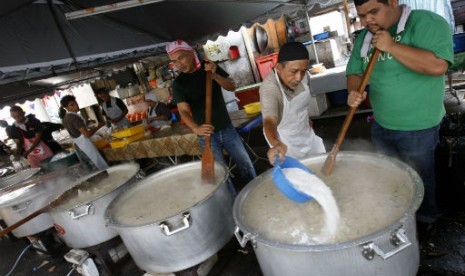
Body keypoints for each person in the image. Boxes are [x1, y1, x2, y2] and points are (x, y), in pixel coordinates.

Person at [346, 0, 454, 224]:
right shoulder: (365, 37)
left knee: (420, 178)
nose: (367, 20)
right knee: (391, 177)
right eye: (362, 15)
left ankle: (426, 220)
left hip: (419, 126)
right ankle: (400, 219)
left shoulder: (426, 23)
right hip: (382, 124)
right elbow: (355, 71)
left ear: (393, 2)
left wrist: (392, 46)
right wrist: (353, 91)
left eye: (374, 12)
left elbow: (437, 66)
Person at [166, 40, 256, 187]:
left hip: (227, 128)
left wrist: (214, 76)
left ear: (190, 53)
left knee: (245, 163)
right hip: (206, 135)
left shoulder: (209, 67)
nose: (178, 64)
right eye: (174, 62)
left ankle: (255, 190)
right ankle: (229, 203)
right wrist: (196, 128)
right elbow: (182, 111)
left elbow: (232, 86)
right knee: (220, 175)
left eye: (181, 57)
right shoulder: (178, 84)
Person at [260, 42, 326, 165]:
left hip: (305, 133)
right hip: (286, 142)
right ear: (279, 67)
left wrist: (307, 119)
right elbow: (269, 121)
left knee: (318, 167)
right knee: (297, 176)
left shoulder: (304, 76)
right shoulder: (269, 88)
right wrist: (276, 143)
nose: (299, 77)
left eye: (303, 71)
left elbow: (302, 105)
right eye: (294, 71)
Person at [60, 95, 109, 170]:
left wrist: (87, 122)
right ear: (67, 108)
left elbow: (76, 127)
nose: (76, 105)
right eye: (72, 105)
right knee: (97, 165)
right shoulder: (74, 117)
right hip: (85, 145)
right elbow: (87, 134)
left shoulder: (65, 118)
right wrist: (99, 126)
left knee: (90, 167)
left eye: (76, 103)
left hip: (78, 145)